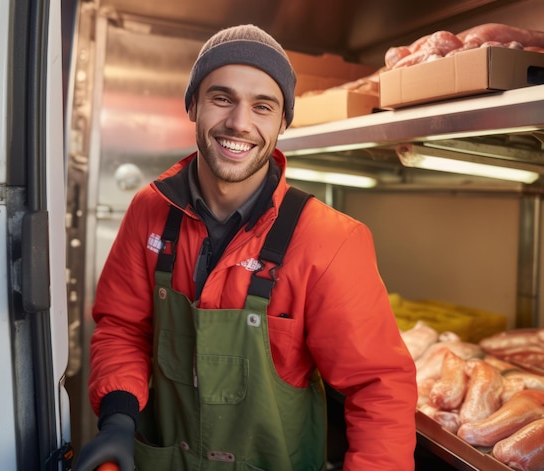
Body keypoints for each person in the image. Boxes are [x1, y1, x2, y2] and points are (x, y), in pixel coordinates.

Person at [75, 24, 417, 471]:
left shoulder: (330, 240)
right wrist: (118, 419)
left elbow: (377, 386)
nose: (239, 122)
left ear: (282, 123)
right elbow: (123, 327)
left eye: (263, 106)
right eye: (222, 98)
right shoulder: (149, 211)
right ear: (192, 104)